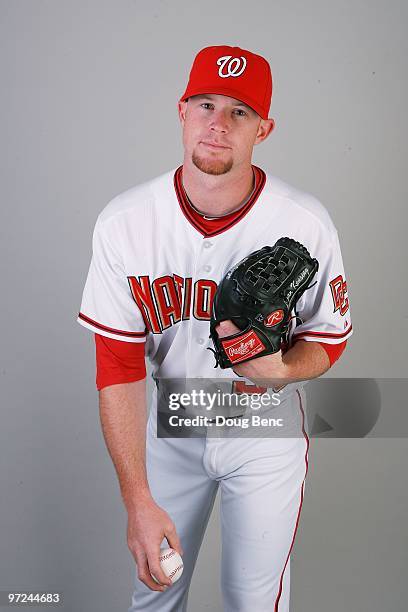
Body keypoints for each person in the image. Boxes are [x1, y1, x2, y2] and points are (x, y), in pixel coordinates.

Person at [77, 45, 352, 611]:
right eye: (206, 104)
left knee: (251, 602)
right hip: (173, 426)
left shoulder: (304, 221)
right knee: (155, 594)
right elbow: (119, 364)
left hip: (264, 427)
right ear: (182, 110)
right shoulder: (126, 222)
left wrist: (284, 367)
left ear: (264, 128)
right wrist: (137, 500)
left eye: (240, 112)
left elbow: (329, 336)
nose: (218, 125)